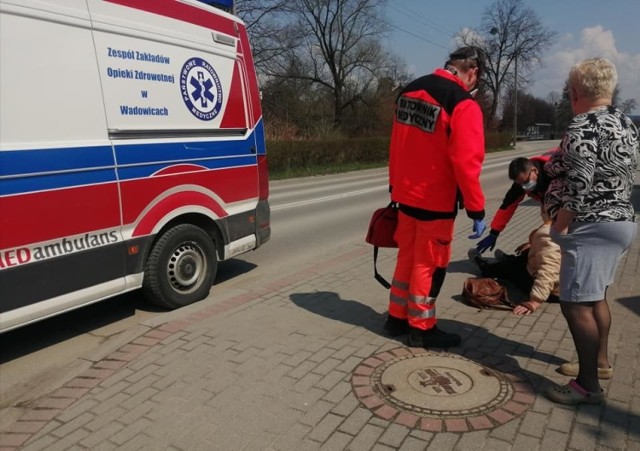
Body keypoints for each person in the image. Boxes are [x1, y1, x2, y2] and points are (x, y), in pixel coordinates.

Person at [543, 57, 638, 405]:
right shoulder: (627, 124)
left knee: (573, 304)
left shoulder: (582, 125)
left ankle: (587, 387)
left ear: (575, 92)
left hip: (592, 225)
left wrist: (560, 224)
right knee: (595, 296)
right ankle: (600, 364)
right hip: (621, 221)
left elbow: (580, 183)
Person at [383, 46, 487, 349]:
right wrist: (476, 210)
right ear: (473, 72)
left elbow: (396, 146)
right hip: (435, 200)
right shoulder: (462, 103)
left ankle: (396, 318)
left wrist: (394, 187)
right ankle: (422, 328)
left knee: (407, 257)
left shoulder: (409, 91)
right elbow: (467, 163)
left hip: (405, 195)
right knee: (429, 264)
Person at [468, 208, 561, 315]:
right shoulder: (573, 225)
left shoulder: (550, 232)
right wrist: (533, 243)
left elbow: (549, 270)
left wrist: (535, 301)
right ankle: (508, 259)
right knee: (525, 254)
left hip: (552, 291)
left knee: (512, 268)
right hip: (569, 287)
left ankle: (485, 267)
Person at [475, 154, 555, 254]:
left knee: (546, 242)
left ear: (535, 170)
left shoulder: (556, 176)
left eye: (526, 181)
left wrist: (535, 241)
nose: (524, 187)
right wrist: (494, 233)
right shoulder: (522, 182)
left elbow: (561, 218)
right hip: (557, 212)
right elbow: (508, 206)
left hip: (573, 215)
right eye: (521, 184)